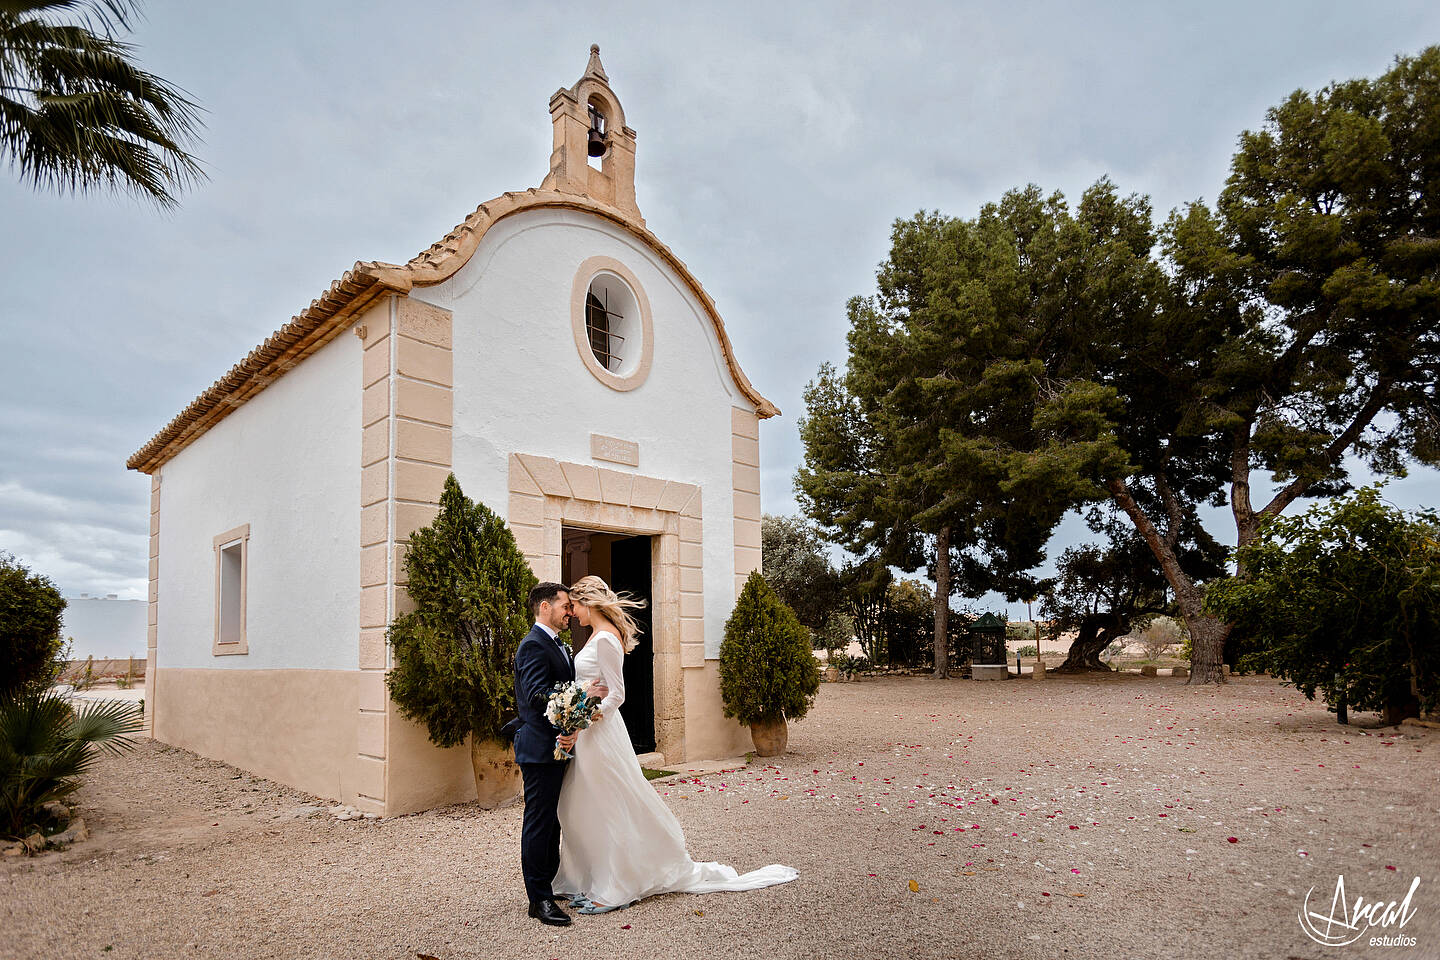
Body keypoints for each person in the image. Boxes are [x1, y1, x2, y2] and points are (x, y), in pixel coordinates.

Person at [553, 575, 798, 914]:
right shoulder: (596, 635)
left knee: (608, 804)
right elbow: (596, 688)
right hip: (587, 735)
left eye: (574, 606)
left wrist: (584, 718)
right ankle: (591, 878)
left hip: (599, 734)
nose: (572, 612)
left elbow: (618, 694)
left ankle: (616, 885)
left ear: (588, 603)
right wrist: (579, 706)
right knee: (580, 805)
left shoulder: (606, 639)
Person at [512, 582, 607, 927]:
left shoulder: (557, 643)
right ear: (544, 608)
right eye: (565, 605)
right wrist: (583, 692)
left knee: (553, 821)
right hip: (539, 748)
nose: (570, 611)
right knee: (539, 823)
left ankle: (549, 886)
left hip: (559, 745)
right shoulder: (533, 646)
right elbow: (537, 695)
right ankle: (538, 900)